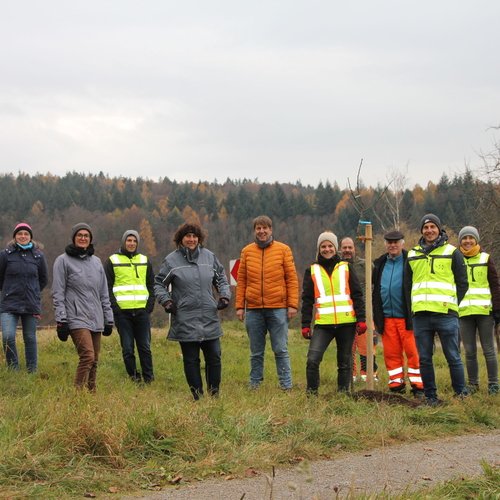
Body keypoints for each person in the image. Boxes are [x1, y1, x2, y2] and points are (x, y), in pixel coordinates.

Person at [154, 222, 230, 400]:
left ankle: (214, 396)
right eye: (188, 236)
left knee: (214, 358)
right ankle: (198, 397)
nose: (191, 239)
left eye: (194, 236)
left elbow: (221, 278)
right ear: (181, 239)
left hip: (209, 317)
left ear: (199, 238)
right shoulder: (171, 260)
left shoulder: (209, 257)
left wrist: (224, 296)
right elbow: (158, 283)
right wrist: (167, 301)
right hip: (185, 318)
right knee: (191, 360)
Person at [405, 214, 469, 406]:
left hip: (446, 314)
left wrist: (451, 303)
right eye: (426, 227)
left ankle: (461, 394)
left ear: (439, 229)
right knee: (424, 358)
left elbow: (462, 283)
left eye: (433, 227)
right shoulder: (412, 254)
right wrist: (412, 310)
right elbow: (408, 286)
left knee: (453, 356)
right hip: (421, 316)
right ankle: (430, 396)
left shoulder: (452, 252)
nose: (429, 230)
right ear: (421, 231)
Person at [235, 215, 299, 390]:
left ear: (271, 230)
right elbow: (242, 281)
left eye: (265, 228)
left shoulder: (283, 250)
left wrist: (292, 305)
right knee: (256, 352)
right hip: (253, 310)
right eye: (258, 228)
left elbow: (292, 279)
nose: (262, 231)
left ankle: (286, 385)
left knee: (280, 349)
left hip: (278, 308)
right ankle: (254, 384)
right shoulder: (246, 251)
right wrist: (240, 307)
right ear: (254, 230)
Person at [301, 231, 366, 394]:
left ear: (335, 248)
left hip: (347, 323)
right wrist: (305, 324)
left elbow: (357, 295)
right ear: (319, 249)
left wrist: (361, 319)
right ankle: (312, 394)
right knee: (312, 360)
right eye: (323, 246)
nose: (327, 249)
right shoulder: (312, 270)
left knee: (344, 362)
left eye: (330, 246)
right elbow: (307, 300)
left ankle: (343, 394)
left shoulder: (346, 267)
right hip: (323, 325)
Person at [52, 223, 114, 391]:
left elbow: (103, 293)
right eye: (80, 235)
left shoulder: (96, 262)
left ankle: (91, 393)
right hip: (75, 316)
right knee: (87, 356)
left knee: (95, 360)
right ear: (74, 238)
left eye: (86, 236)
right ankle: (77, 395)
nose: (83, 238)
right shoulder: (62, 261)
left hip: (96, 316)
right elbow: (58, 293)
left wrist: (109, 318)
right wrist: (61, 320)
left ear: (90, 239)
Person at [372, 230, 424, 397]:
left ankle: (418, 386)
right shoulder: (380, 263)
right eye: (389, 242)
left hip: (406, 317)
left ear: (402, 243)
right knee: (391, 353)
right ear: (386, 244)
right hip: (387, 318)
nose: (392, 245)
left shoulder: (410, 261)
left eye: (396, 242)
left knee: (413, 352)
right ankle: (396, 384)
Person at [105, 230, 155, 384]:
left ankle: (149, 378)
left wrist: (149, 306)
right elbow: (107, 286)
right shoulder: (112, 261)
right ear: (123, 242)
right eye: (129, 240)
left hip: (142, 312)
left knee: (145, 347)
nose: (131, 243)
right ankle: (134, 378)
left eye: (134, 240)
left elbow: (151, 284)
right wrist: (115, 308)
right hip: (123, 314)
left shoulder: (144, 260)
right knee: (127, 349)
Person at [0, 222, 48, 372]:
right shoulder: (5, 255)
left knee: (30, 338)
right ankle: (13, 369)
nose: (23, 236)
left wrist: (33, 291)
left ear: (31, 237)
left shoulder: (39, 256)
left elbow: (43, 279)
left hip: (30, 303)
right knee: (7, 337)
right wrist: (7, 290)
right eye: (19, 233)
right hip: (9, 303)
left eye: (26, 234)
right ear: (14, 236)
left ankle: (31, 371)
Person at [457, 226, 499, 395]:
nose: (467, 241)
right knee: (469, 351)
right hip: (464, 312)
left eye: (471, 238)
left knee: (489, 349)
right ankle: (473, 385)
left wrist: (497, 309)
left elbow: (495, 284)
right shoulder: (456, 258)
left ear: (476, 240)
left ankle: (493, 384)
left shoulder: (485, 258)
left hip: (484, 312)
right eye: (464, 238)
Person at [339, 236, 378, 382]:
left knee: (368, 344)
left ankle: (369, 373)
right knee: (348, 345)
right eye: (345, 248)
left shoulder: (366, 265)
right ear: (340, 249)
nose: (347, 250)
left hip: (365, 311)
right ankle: (352, 374)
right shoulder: (338, 266)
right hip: (345, 311)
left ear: (354, 249)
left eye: (350, 247)